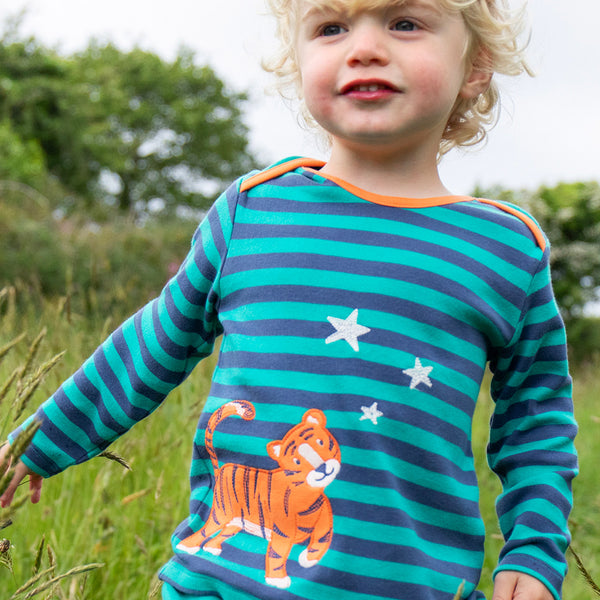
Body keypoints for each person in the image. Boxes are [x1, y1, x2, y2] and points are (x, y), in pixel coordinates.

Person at [0, 0, 578, 598]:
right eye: (331, 28)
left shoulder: (507, 250)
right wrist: (38, 438)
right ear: (298, 59)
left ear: (476, 65)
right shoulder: (254, 209)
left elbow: (536, 423)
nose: (365, 48)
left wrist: (534, 552)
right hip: (224, 583)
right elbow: (153, 344)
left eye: (405, 23)